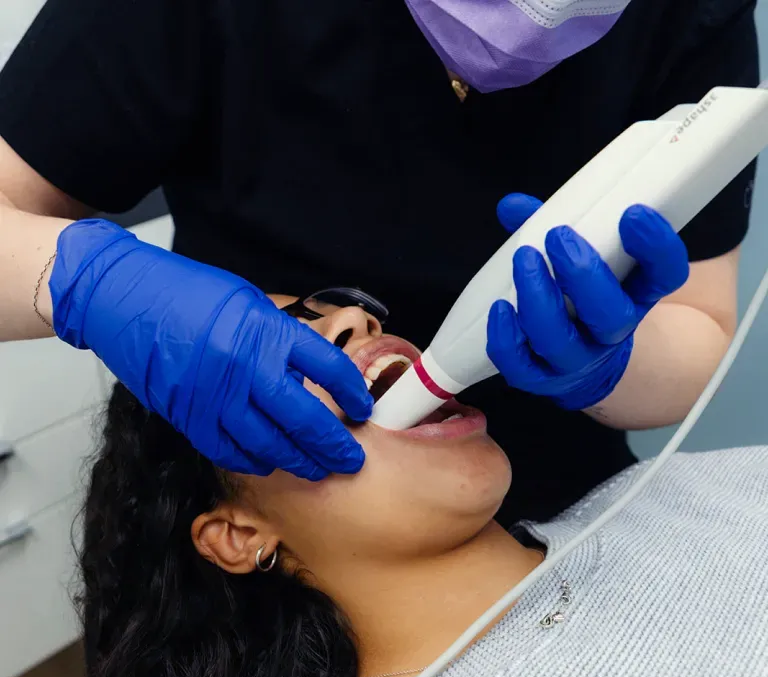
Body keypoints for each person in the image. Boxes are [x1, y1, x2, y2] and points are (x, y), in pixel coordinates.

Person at [0, 0, 759, 521]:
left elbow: (699, 322)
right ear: (239, 543)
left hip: (567, 499)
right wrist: (87, 283)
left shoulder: (686, 16)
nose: (363, 320)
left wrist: (613, 362)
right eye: (321, 325)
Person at [79, 294, 768, 677]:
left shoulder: (698, 488)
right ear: (237, 533)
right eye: (269, 349)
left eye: (337, 305)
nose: (356, 316)